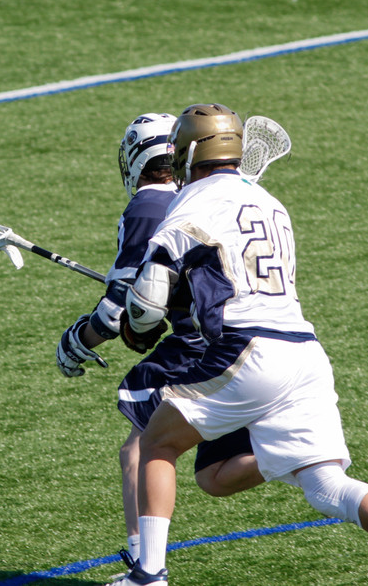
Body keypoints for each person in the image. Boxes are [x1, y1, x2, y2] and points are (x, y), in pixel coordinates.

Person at [116, 104, 368, 586]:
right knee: (326, 485)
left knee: (156, 440)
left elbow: (149, 301)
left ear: (191, 152)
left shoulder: (189, 201)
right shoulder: (270, 200)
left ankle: (148, 572)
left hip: (248, 351)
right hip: (304, 353)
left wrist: (137, 320)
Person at [55, 113, 263, 581]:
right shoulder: (197, 193)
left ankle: (144, 565)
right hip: (242, 337)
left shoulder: (147, 206)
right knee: (215, 471)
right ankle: (296, 455)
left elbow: (117, 313)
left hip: (197, 346)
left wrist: (77, 340)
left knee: (139, 448)